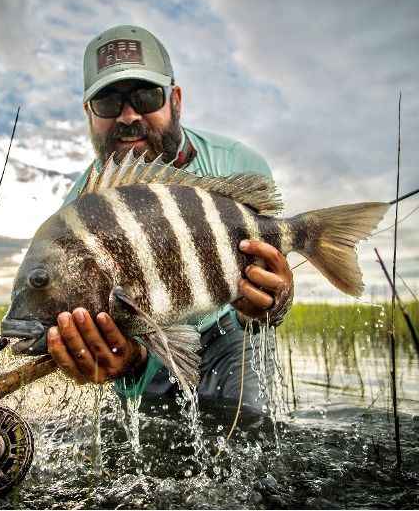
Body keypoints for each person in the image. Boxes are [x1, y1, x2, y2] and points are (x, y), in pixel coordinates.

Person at [46, 25, 293, 411]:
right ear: (89, 114)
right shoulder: (78, 209)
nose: (128, 116)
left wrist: (274, 302)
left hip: (229, 334)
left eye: (146, 96)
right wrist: (125, 362)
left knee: (246, 426)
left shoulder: (238, 164)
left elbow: (266, 279)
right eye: (108, 103)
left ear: (175, 99)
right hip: (146, 343)